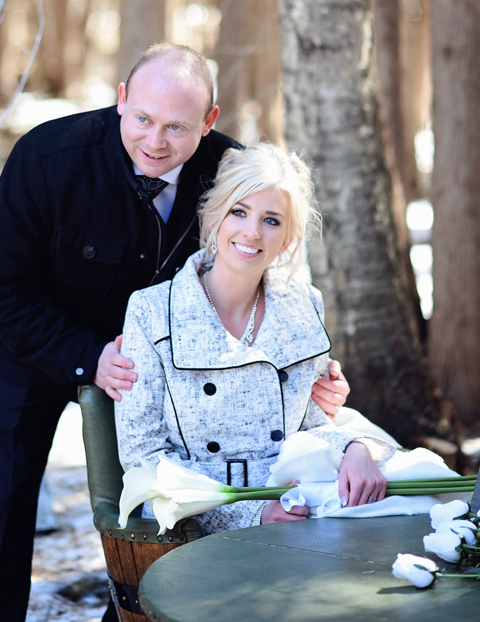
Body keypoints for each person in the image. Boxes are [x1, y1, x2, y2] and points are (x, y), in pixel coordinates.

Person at [0, 44, 350, 622]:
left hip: (163, 371)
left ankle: (138, 611)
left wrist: (304, 368)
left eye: (177, 127)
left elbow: (259, 271)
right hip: (36, 349)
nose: (156, 141)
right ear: (121, 99)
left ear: (209, 122)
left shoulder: (230, 172)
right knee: (5, 502)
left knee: (156, 503)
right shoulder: (45, 156)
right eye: (142, 118)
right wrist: (88, 356)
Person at [116, 143, 391, 532]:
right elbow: (143, 456)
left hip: (299, 503)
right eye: (239, 212)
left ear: (289, 238)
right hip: (193, 525)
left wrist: (356, 447)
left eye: (272, 220)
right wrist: (251, 514)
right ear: (215, 217)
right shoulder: (151, 311)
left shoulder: (304, 303)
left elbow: (311, 424)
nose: (252, 232)